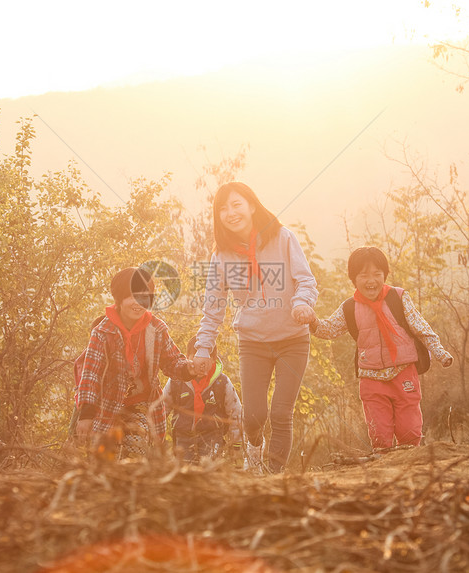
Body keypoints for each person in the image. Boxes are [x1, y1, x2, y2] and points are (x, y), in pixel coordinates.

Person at [192, 182, 318, 474]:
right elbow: (213, 308)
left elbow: (306, 280)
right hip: (253, 343)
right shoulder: (221, 257)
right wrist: (202, 349)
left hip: (293, 340)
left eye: (236, 204)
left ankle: (272, 478)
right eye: (222, 208)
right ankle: (254, 445)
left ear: (251, 205)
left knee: (281, 413)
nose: (230, 212)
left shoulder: (283, 237)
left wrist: (302, 303)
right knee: (255, 415)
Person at [308, 246, 453, 451]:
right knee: (380, 436)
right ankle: (384, 475)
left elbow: (420, 327)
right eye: (364, 275)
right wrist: (311, 320)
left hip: (404, 373)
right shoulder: (349, 307)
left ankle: (409, 473)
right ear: (354, 279)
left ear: (385, 275)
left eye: (377, 274)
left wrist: (439, 352)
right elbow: (328, 330)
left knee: (410, 432)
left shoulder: (398, 298)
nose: (371, 281)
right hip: (371, 377)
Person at [74, 267, 196, 459]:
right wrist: (87, 414)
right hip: (105, 406)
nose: (138, 303)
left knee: (135, 452)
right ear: (120, 299)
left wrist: (188, 368)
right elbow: (91, 374)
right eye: (132, 296)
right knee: (102, 458)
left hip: (141, 406)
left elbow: (172, 361)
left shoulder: (156, 329)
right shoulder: (103, 332)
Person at [161, 337, 243, 464]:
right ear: (187, 357)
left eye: (205, 361)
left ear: (213, 360)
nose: (200, 365)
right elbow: (162, 408)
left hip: (212, 437)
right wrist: (156, 435)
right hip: (183, 436)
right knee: (184, 472)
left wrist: (236, 445)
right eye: (195, 358)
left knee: (209, 470)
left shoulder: (222, 383)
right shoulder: (176, 381)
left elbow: (236, 413)